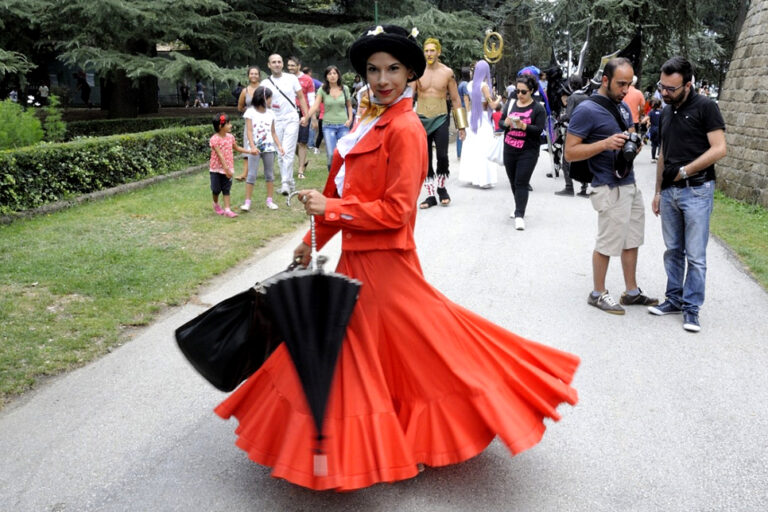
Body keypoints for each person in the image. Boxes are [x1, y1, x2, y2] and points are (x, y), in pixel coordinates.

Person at [215, 24, 579, 492]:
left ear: (410, 73)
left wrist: (333, 210)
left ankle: (398, 437)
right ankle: (355, 443)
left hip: (388, 265)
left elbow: (396, 211)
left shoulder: (405, 128)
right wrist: (316, 237)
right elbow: (337, 192)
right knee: (378, 356)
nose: (382, 78)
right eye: (372, 70)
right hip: (356, 262)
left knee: (414, 352)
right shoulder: (364, 122)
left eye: (392, 69)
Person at [565, 57, 659, 315]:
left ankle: (631, 292)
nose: (626, 90)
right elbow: (570, 152)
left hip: (628, 182)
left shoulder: (624, 107)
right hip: (607, 186)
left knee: (632, 240)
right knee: (607, 243)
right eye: (621, 84)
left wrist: (633, 145)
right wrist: (605, 144)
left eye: (629, 84)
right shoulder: (586, 110)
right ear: (605, 80)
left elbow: (629, 138)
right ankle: (597, 293)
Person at [649, 56, 727, 332]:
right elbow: (663, 154)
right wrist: (658, 191)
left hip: (697, 190)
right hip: (669, 193)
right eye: (662, 87)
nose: (665, 93)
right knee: (673, 251)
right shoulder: (667, 111)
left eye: (671, 88)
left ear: (688, 85)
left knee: (695, 255)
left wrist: (685, 171)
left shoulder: (706, 107)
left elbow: (719, 148)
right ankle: (673, 299)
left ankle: (692, 308)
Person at [415, 37, 467, 208]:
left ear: (439, 52)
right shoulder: (417, 71)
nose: (429, 53)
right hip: (421, 119)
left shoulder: (447, 72)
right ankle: (430, 195)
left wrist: (461, 126)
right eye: (426, 50)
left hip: (441, 118)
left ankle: (442, 188)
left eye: (432, 50)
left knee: (443, 156)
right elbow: (409, 97)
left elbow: (455, 99)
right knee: (425, 159)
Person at [499, 73, 547, 230]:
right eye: (517, 91)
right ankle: (518, 206)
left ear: (531, 91)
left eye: (523, 92)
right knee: (513, 182)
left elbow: (539, 129)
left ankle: (520, 215)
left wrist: (523, 126)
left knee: (521, 182)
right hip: (509, 148)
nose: (520, 95)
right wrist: (505, 123)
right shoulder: (511, 103)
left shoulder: (538, 108)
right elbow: (501, 122)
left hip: (528, 151)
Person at [263, 53, 309, 195]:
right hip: (275, 121)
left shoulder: (291, 78)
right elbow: (263, 105)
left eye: (279, 61)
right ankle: (290, 182)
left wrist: (306, 115)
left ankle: (284, 184)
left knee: (288, 151)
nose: (277, 64)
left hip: (291, 119)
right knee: (280, 152)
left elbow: (301, 97)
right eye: (274, 62)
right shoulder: (265, 83)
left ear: (282, 64)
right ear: (269, 65)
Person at [457, 59, 501, 189]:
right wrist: (498, 98)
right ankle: (484, 179)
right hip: (483, 118)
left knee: (472, 147)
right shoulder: (484, 86)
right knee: (485, 148)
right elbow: (492, 105)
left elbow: (468, 102)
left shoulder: (470, 84)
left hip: (472, 117)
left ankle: (472, 177)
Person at [239, 86, 285, 212]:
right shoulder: (250, 112)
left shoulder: (271, 113)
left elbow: (273, 132)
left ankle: (270, 200)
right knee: (251, 174)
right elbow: (249, 131)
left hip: (269, 148)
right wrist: (252, 146)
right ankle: (247, 202)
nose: (271, 101)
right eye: (269, 98)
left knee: (269, 174)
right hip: (254, 149)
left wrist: (279, 145)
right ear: (263, 98)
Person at [301, 65, 353, 171]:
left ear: (338, 75)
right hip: (328, 126)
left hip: (343, 125)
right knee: (331, 155)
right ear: (326, 76)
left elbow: (349, 105)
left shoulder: (345, 89)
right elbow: (315, 106)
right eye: (329, 74)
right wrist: (306, 118)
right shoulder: (322, 90)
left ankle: (344, 178)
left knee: (345, 153)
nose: (332, 76)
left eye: (334, 73)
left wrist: (350, 119)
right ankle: (332, 179)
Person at [209, 113, 252, 218]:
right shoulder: (214, 139)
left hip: (228, 168)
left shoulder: (230, 137)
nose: (231, 125)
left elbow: (237, 148)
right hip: (216, 169)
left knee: (226, 189)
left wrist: (250, 151)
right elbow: (220, 155)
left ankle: (227, 209)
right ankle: (215, 204)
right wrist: (226, 168)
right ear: (220, 126)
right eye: (228, 123)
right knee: (216, 189)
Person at [555, 75, 590, 198]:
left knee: (566, 159)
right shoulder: (587, 97)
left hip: (573, 132)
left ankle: (569, 187)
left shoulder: (572, 98)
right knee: (583, 159)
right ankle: (584, 188)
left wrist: (560, 118)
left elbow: (569, 115)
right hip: (585, 132)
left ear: (571, 85)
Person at [288, 56, 315, 180]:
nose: (290, 68)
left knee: (302, 142)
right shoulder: (285, 78)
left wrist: (312, 117)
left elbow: (311, 99)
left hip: (303, 113)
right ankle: (303, 160)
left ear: (299, 66)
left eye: (293, 65)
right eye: (288, 65)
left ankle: (300, 170)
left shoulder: (307, 79)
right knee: (291, 143)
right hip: (288, 113)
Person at [235, 66, 262, 182]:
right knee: (248, 146)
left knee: (264, 146)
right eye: (252, 74)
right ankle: (245, 173)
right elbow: (240, 107)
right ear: (248, 76)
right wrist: (249, 111)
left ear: (259, 75)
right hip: (249, 123)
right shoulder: (244, 91)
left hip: (262, 122)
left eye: (256, 74)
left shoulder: (264, 89)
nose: (254, 76)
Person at [641, 98, 662, 162]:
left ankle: (653, 158)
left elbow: (643, 121)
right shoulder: (662, 112)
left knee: (654, 145)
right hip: (660, 130)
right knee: (660, 144)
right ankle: (659, 155)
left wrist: (647, 122)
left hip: (653, 130)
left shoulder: (651, 112)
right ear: (660, 105)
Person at [456, 66, 471, 159]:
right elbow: (466, 98)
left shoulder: (460, 84)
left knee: (459, 131)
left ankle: (459, 154)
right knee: (464, 131)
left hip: (458, 108)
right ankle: (462, 153)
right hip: (463, 109)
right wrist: (469, 111)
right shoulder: (465, 84)